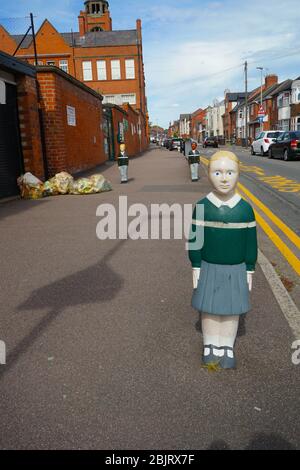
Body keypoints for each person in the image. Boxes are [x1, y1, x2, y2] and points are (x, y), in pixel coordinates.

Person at [188, 150, 257, 369]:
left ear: (238, 173)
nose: (224, 178)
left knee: (231, 309)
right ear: (208, 173)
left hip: (236, 268)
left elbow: (250, 242)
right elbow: (195, 240)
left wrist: (249, 268)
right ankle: (210, 344)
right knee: (209, 308)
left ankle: (226, 345)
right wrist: (196, 265)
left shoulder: (245, 210)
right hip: (208, 266)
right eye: (218, 172)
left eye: (230, 172)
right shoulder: (202, 207)